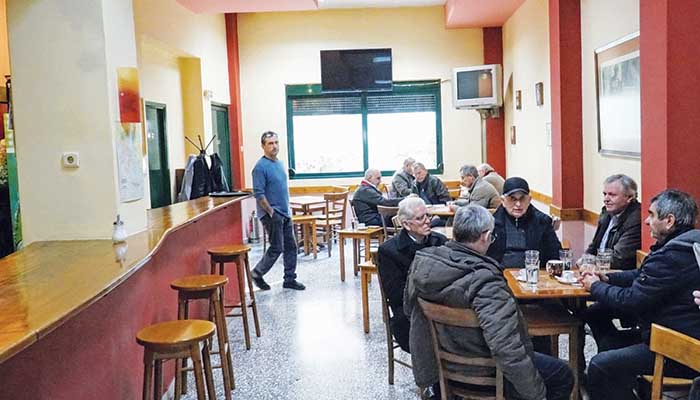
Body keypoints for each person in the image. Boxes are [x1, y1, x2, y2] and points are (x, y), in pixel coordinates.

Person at [404, 205, 573, 400]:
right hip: (485, 370)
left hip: (440, 365)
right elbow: (506, 348)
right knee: (562, 374)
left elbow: (409, 311)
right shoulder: (486, 281)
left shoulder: (423, 263)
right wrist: (535, 393)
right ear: (485, 237)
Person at [581, 189, 700, 400]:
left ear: (669, 221)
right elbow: (642, 275)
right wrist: (608, 278)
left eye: (652, 215)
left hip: (678, 349)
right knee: (599, 318)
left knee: (600, 367)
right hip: (671, 333)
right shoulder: (688, 243)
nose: (646, 220)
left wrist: (595, 286)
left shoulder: (673, 255)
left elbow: (631, 301)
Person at [376, 197, 447, 353]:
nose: (427, 221)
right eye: (420, 218)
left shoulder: (440, 241)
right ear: (406, 224)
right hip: (410, 312)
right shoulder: (389, 251)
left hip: (441, 304)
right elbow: (396, 294)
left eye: (427, 216)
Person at [250, 131, 305, 291]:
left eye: (276, 142)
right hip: (272, 214)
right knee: (277, 247)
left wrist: (287, 210)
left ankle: (289, 279)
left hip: (285, 212)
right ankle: (257, 273)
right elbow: (259, 194)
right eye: (270, 143)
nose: (274, 146)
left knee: (291, 247)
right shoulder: (260, 167)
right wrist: (271, 212)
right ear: (263, 146)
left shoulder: (279, 164)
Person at [487, 177, 561, 268]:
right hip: (499, 273)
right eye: (513, 199)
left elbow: (555, 254)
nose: (518, 204)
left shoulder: (542, 222)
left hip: (534, 273)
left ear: (529, 200)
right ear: (503, 201)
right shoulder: (492, 223)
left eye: (522, 198)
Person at [582, 174, 641, 270]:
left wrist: (590, 261)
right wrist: (584, 259)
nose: (606, 199)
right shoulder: (606, 213)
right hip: (598, 269)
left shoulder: (635, 219)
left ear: (629, 197)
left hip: (618, 274)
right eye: (604, 194)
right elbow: (594, 245)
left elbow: (619, 258)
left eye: (612, 195)